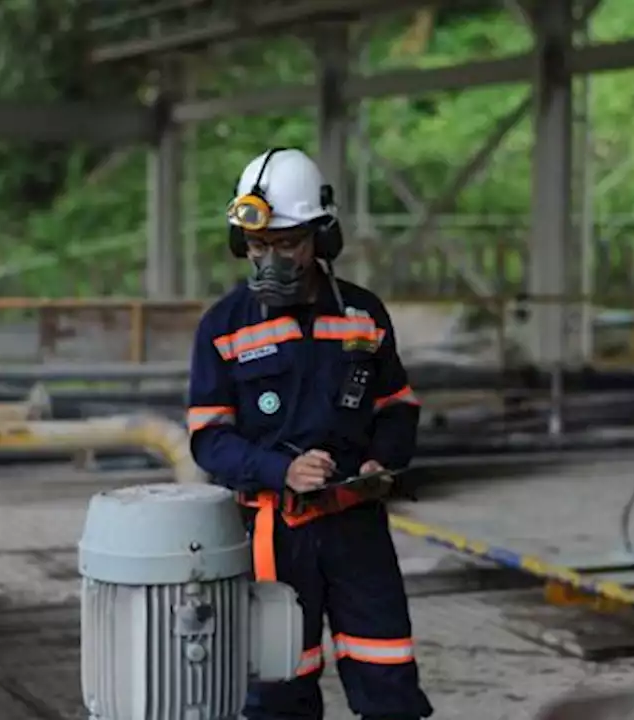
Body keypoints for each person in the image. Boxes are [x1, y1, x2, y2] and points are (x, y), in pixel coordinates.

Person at [186, 147, 433, 720]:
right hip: (274, 536)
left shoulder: (364, 316)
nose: (270, 259)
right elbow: (209, 440)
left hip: (356, 529)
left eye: (287, 243)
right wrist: (282, 471)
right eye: (257, 245)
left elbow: (398, 406)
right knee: (278, 693)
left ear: (322, 239)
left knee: (387, 677)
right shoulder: (223, 327)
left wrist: (382, 462)